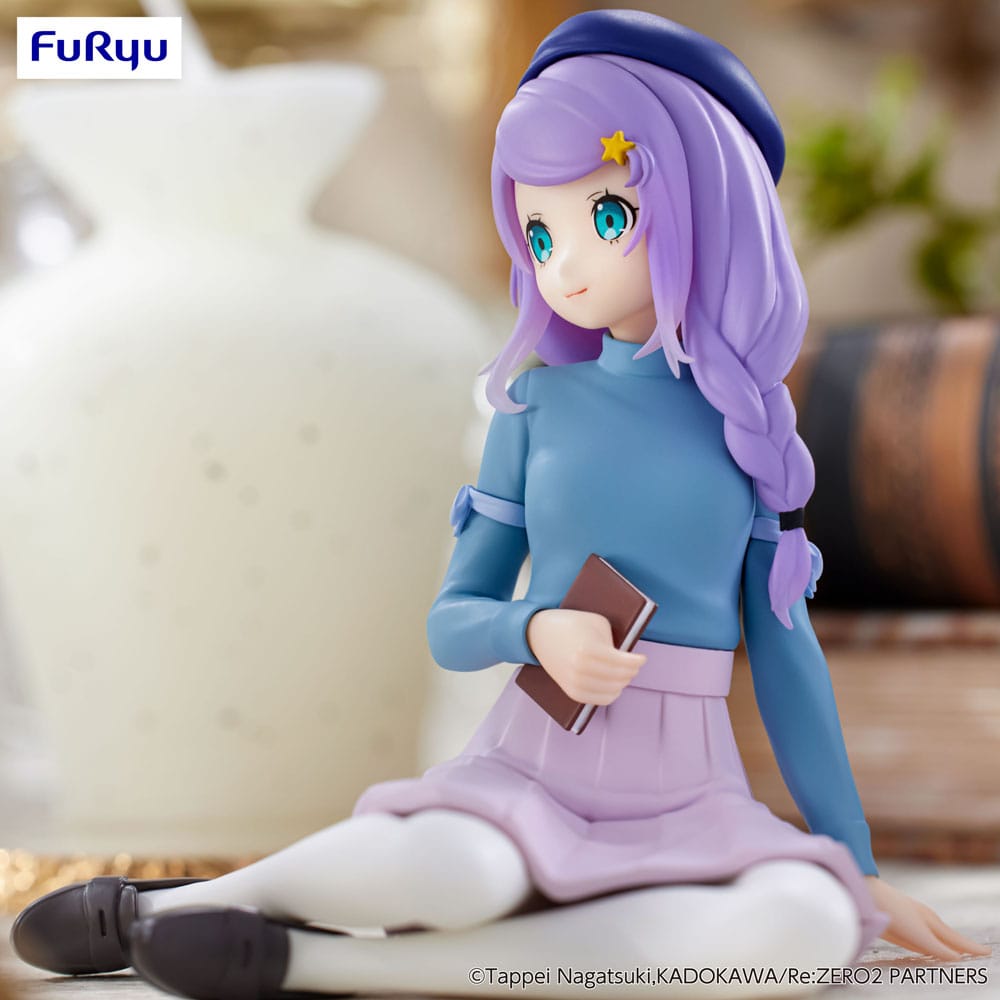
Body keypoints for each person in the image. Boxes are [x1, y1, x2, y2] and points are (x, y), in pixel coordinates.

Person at [10, 11, 990, 999]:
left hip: (692, 794)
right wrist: (538, 629)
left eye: (607, 218)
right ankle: (168, 910)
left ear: (703, 202)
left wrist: (855, 862)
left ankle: (312, 961)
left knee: (809, 925)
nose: (564, 268)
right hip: (535, 766)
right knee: (461, 871)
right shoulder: (536, 406)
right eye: (539, 234)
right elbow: (453, 621)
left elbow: (787, 656)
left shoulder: (753, 429)